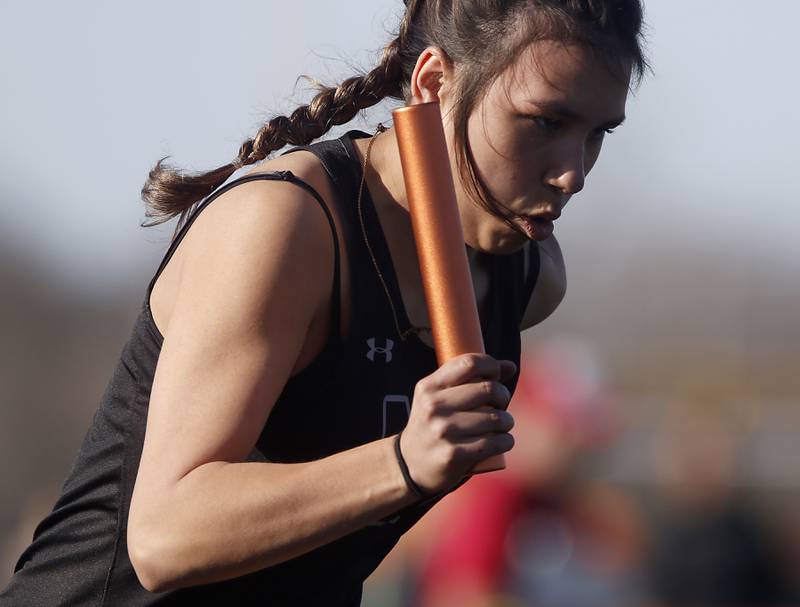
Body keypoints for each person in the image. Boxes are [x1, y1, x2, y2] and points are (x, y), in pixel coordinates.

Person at [0, 0, 648, 604]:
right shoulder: (287, 228)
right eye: (544, 122)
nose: (574, 172)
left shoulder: (528, 278)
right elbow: (163, 533)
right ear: (432, 83)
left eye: (597, 134)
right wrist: (401, 460)